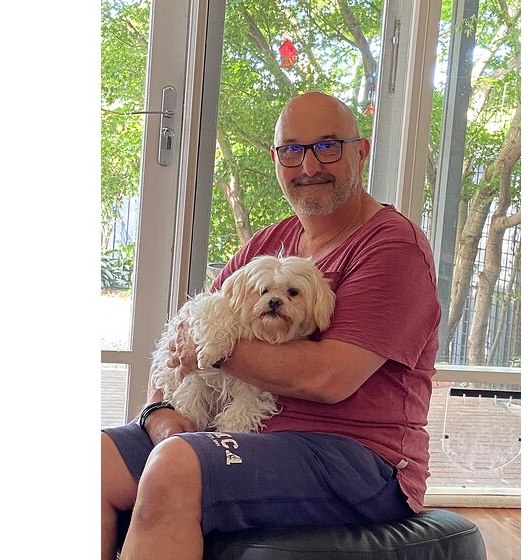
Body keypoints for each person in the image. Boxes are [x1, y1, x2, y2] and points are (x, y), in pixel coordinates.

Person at [101, 91, 441, 560]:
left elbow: (328, 377)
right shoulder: (267, 243)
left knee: (177, 466)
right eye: (292, 150)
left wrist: (217, 348)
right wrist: (157, 413)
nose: (308, 166)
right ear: (276, 159)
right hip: (242, 431)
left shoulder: (392, 248)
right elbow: (185, 333)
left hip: (356, 457)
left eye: (327, 146)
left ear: (360, 151)